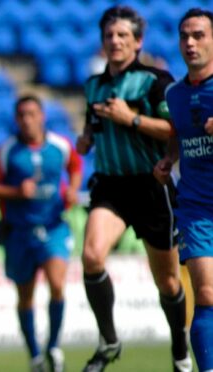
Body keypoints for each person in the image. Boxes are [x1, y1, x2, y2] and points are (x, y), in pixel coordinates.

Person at [76, 5, 192, 372]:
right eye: (109, 35)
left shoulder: (156, 81)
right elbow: (93, 128)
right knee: (92, 256)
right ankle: (109, 339)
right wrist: (85, 139)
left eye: (123, 35)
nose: (115, 41)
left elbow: (175, 131)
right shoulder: (94, 84)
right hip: (111, 187)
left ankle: (179, 351)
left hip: (151, 186)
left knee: (169, 283)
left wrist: (133, 118)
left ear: (138, 42)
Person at [0, 95, 83, 372]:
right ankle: (35, 355)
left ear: (42, 116)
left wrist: (72, 188)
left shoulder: (59, 146)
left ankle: (54, 347)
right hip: (20, 233)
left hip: (54, 227)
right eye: (22, 115)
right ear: (16, 119)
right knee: (26, 297)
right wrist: (15, 192)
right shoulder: (7, 152)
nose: (27, 119)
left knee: (57, 285)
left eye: (32, 113)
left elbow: (76, 165)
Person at [154, 8, 213, 372]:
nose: (190, 43)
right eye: (184, 36)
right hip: (196, 207)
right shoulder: (174, 93)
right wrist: (168, 159)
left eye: (199, 35)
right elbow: (177, 135)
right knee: (206, 293)